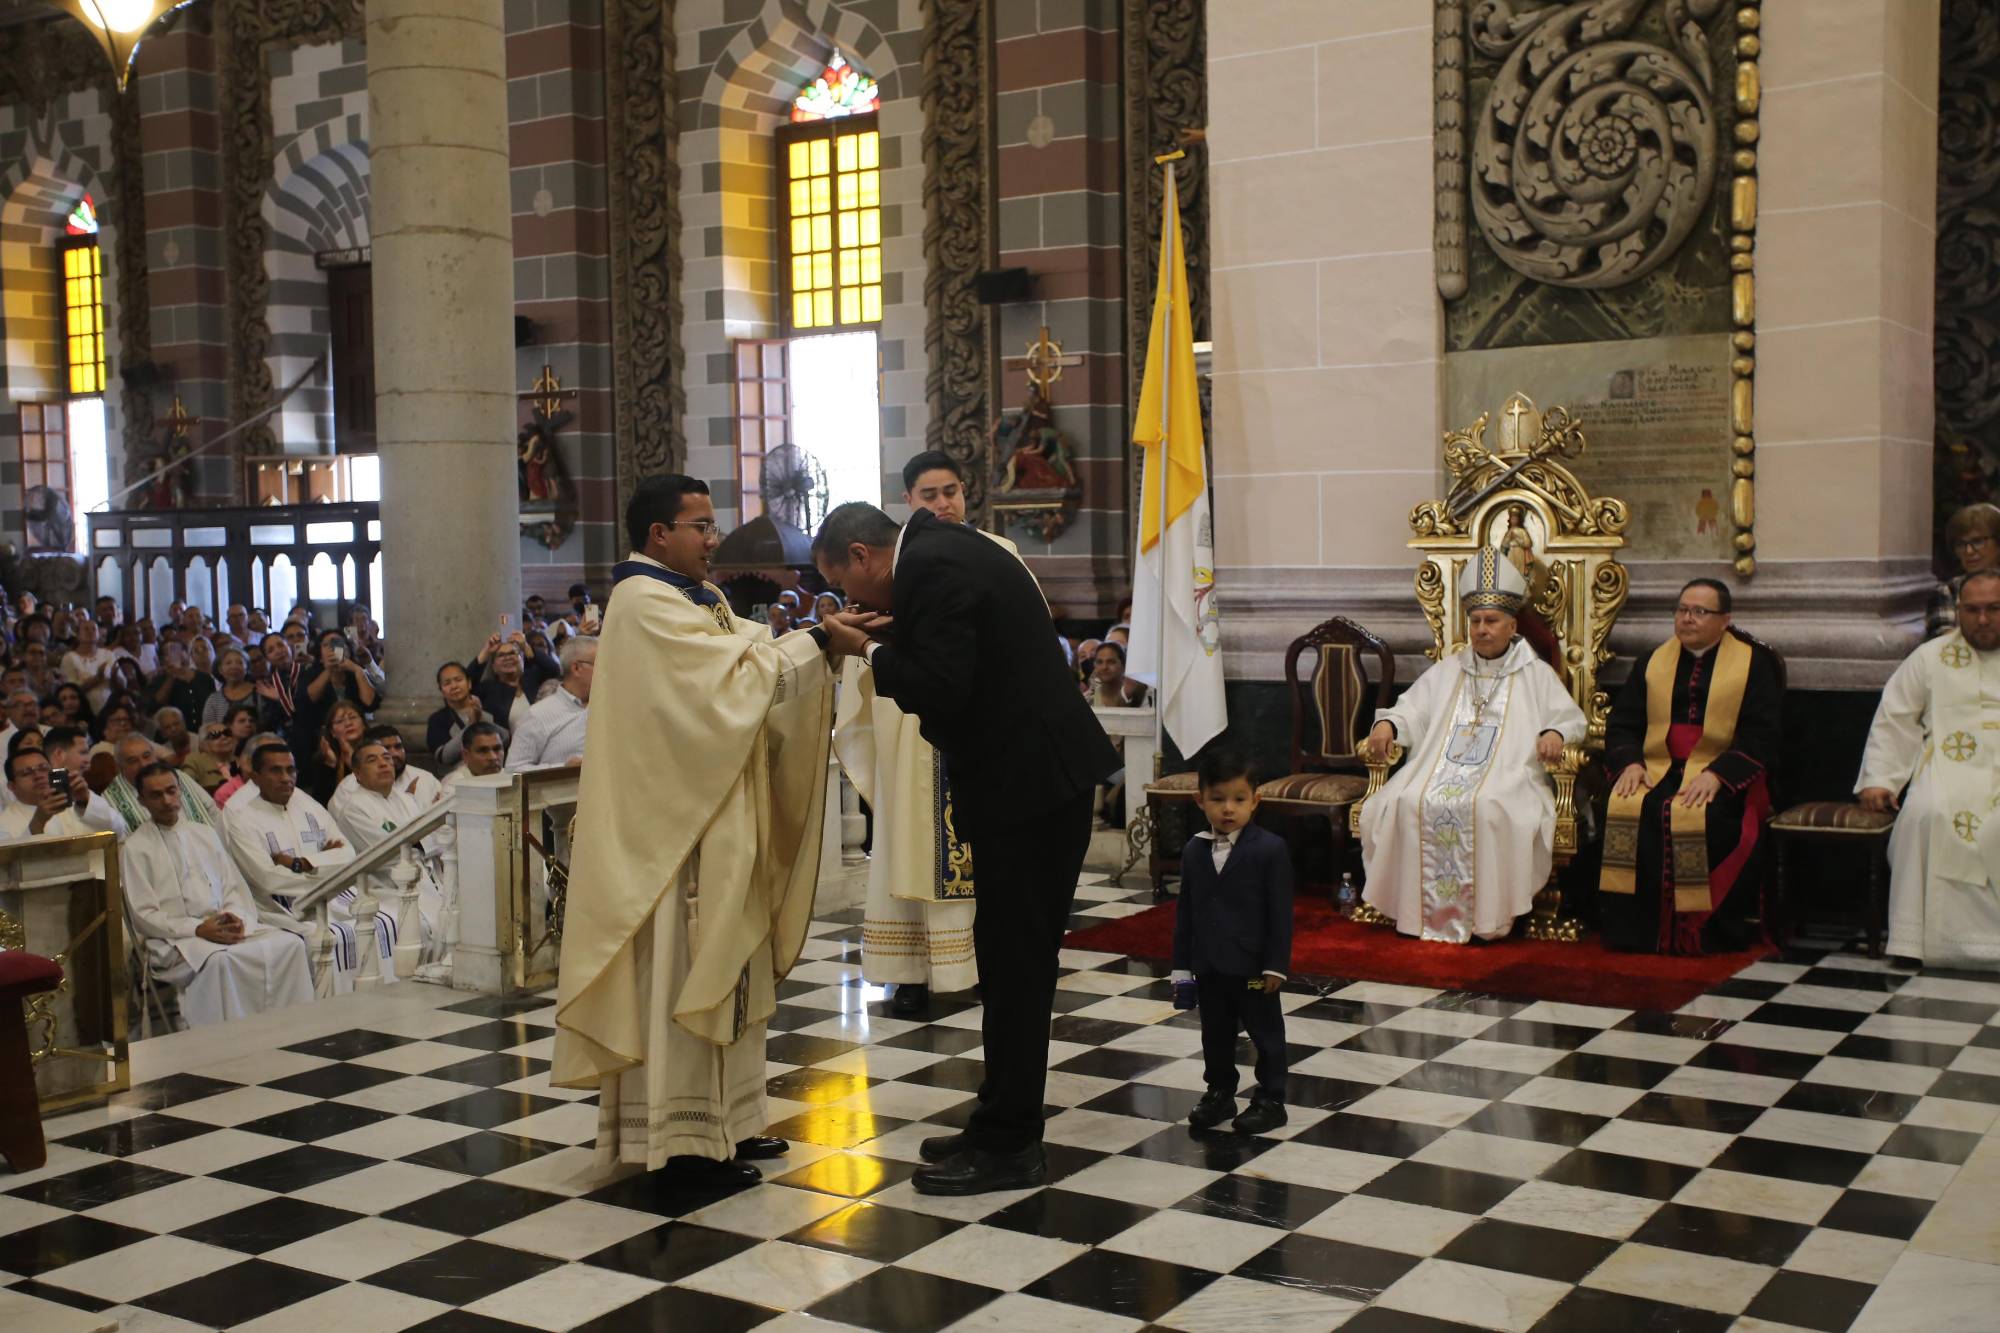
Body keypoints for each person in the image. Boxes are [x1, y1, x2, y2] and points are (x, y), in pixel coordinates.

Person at [815, 500, 1119, 1195]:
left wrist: (863, 647)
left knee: (1016, 966)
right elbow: (962, 655)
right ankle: (997, 1118)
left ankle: (1013, 1144)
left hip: (1034, 789)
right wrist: (888, 633)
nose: (853, 601)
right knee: (1006, 959)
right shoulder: (939, 551)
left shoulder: (933, 568)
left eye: (848, 585)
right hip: (1033, 783)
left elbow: (942, 685)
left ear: (863, 555)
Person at [554, 474, 836, 1185]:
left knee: (730, 962)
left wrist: (815, 642)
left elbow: (747, 655)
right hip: (672, 834)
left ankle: (731, 1123)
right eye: (701, 526)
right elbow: (731, 686)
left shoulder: (696, 598)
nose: (714, 540)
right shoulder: (642, 602)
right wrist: (819, 642)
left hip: (717, 813)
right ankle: (679, 1146)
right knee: (684, 967)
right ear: (659, 534)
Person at [832, 451, 1020, 1018]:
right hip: (908, 724)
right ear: (908, 503)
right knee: (906, 840)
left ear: (967, 493)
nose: (943, 504)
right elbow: (864, 648)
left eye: (951, 492)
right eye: (929, 495)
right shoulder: (893, 564)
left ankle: (982, 962)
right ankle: (910, 969)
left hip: (974, 724)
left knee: (984, 848)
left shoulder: (999, 553)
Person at [1358, 552, 1587, 943]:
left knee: (1488, 805)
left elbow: (1570, 719)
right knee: (1406, 800)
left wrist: (1556, 735)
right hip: (1438, 769)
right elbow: (1411, 710)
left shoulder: (1535, 673)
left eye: (1492, 621)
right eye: (1476, 621)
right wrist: (1387, 723)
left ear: (1512, 625)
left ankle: (1487, 919)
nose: (1482, 629)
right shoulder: (1450, 669)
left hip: (1510, 774)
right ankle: (1416, 915)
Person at [1598, 579, 1783, 954]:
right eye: (1682, 610)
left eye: (1700, 612)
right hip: (1657, 767)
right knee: (1628, 806)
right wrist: (1630, 764)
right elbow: (1624, 724)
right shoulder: (1652, 661)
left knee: (1708, 816)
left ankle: (1700, 933)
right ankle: (1637, 933)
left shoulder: (1755, 664)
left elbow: (1761, 732)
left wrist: (1719, 775)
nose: (1688, 619)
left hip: (1722, 772)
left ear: (1725, 619)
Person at [1859, 569, 2000, 967]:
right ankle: (1918, 942)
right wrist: (1881, 779)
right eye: (1972, 610)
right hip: (1948, 765)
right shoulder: (1930, 656)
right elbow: (1896, 718)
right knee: (1925, 814)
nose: (1983, 619)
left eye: (1994, 609)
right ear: (1958, 611)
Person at [123, 762, 313, 1026]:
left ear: (180, 791)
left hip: (222, 925)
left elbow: (233, 888)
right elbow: (143, 915)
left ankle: (292, 1028)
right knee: (220, 962)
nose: (167, 801)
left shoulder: (204, 834)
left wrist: (234, 918)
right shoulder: (136, 848)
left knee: (291, 945)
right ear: (141, 800)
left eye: (171, 791)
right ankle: (226, 1041)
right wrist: (198, 929)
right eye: (156, 795)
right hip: (175, 939)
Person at [1171, 749, 1293, 1135]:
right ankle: (1220, 1092)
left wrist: (1275, 964)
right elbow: (1186, 912)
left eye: (1239, 799)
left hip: (1255, 969)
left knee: (1264, 1031)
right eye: (1218, 799)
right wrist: (1181, 966)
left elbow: (1280, 915)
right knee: (1216, 1033)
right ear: (1200, 800)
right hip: (1210, 967)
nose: (1228, 809)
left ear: (1255, 800)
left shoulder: (1270, 850)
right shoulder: (1194, 850)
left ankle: (1271, 1098)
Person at [221, 741, 394, 986]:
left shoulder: (306, 805)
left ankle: (377, 996)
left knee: (385, 922)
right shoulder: (241, 817)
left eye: (290, 770)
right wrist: (324, 867)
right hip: (283, 907)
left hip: (333, 897)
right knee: (326, 938)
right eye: (275, 771)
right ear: (255, 777)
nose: (285, 778)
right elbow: (267, 878)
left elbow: (347, 855)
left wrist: (300, 863)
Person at [505, 636, 595, 771]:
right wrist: (563, 768)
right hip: (564, 790)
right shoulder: (538, 714)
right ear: (576, 668)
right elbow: (513, 769)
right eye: (601, 663)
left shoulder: (612, 708)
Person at [0, 746, 127, 840]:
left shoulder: (74, 802)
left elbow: (118, 831)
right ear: (11, 786)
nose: (38, 775)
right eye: (26, 773)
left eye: (43, 768)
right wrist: (37, 824)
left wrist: (84, 801)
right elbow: (12, 865)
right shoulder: (4, 824)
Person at [103, 734, 220, 833]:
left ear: (155, 756)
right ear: (120, 767)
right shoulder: (108, 802)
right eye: (133, 761)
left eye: (147, 756)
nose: (143, 764)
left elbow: (212, 810)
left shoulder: (177, 776)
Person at [1928, 503, 2000, 639]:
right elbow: (1944, 644)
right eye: (1961, 544)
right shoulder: (1948, 591)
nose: (1969, 551)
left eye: (1978, 541)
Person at [427, 662, 502, 768]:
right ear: (442, 691)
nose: (454, 686)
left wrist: (482, 718)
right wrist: (471, 725)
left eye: (458, 680)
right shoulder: (437, 719)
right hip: (457, 778)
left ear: (469, 683)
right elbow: (443, 757)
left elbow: (506, 739)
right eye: (447, 683)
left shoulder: (489, 708)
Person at [61, 617, 118, 714]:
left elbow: (121, 685)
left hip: (109, 708)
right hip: (83, 710)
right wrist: (97, 678)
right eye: (86, 629)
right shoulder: (69, 658)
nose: (90, 632)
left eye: (94, 629)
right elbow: (71, 690)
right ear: (78, 635)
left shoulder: (108, 654)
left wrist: (114, 677)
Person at [201, 647, 258, 728]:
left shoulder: (260, 692)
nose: (234, 666)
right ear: (220, 670)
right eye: (228, 663)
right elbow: (207, 729)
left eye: (240, 662)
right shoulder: (213, 699)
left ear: (247, 668)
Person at [444, 721, 507, 788]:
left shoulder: (511, 778)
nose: (493, 757)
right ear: (466, 755)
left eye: (497, 749)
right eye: (483, 751)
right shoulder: (454, 785)